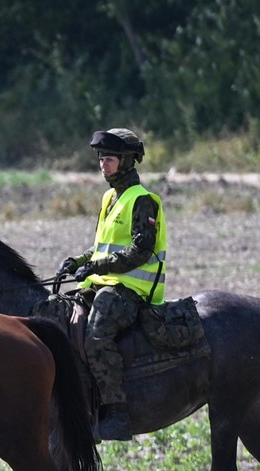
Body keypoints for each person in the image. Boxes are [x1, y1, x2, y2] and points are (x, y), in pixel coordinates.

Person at [57, 127, 166, 441]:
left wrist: (94, 265)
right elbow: (102, 245)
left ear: (129, 161)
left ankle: (117, 415)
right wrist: (77, 261)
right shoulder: (109, 197)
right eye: (101, 157)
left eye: (111, 158)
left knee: (97, 335)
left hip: (131, 289)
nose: (104, 163)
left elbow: (139, 250)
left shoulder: (144, 200)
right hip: (102, 282)